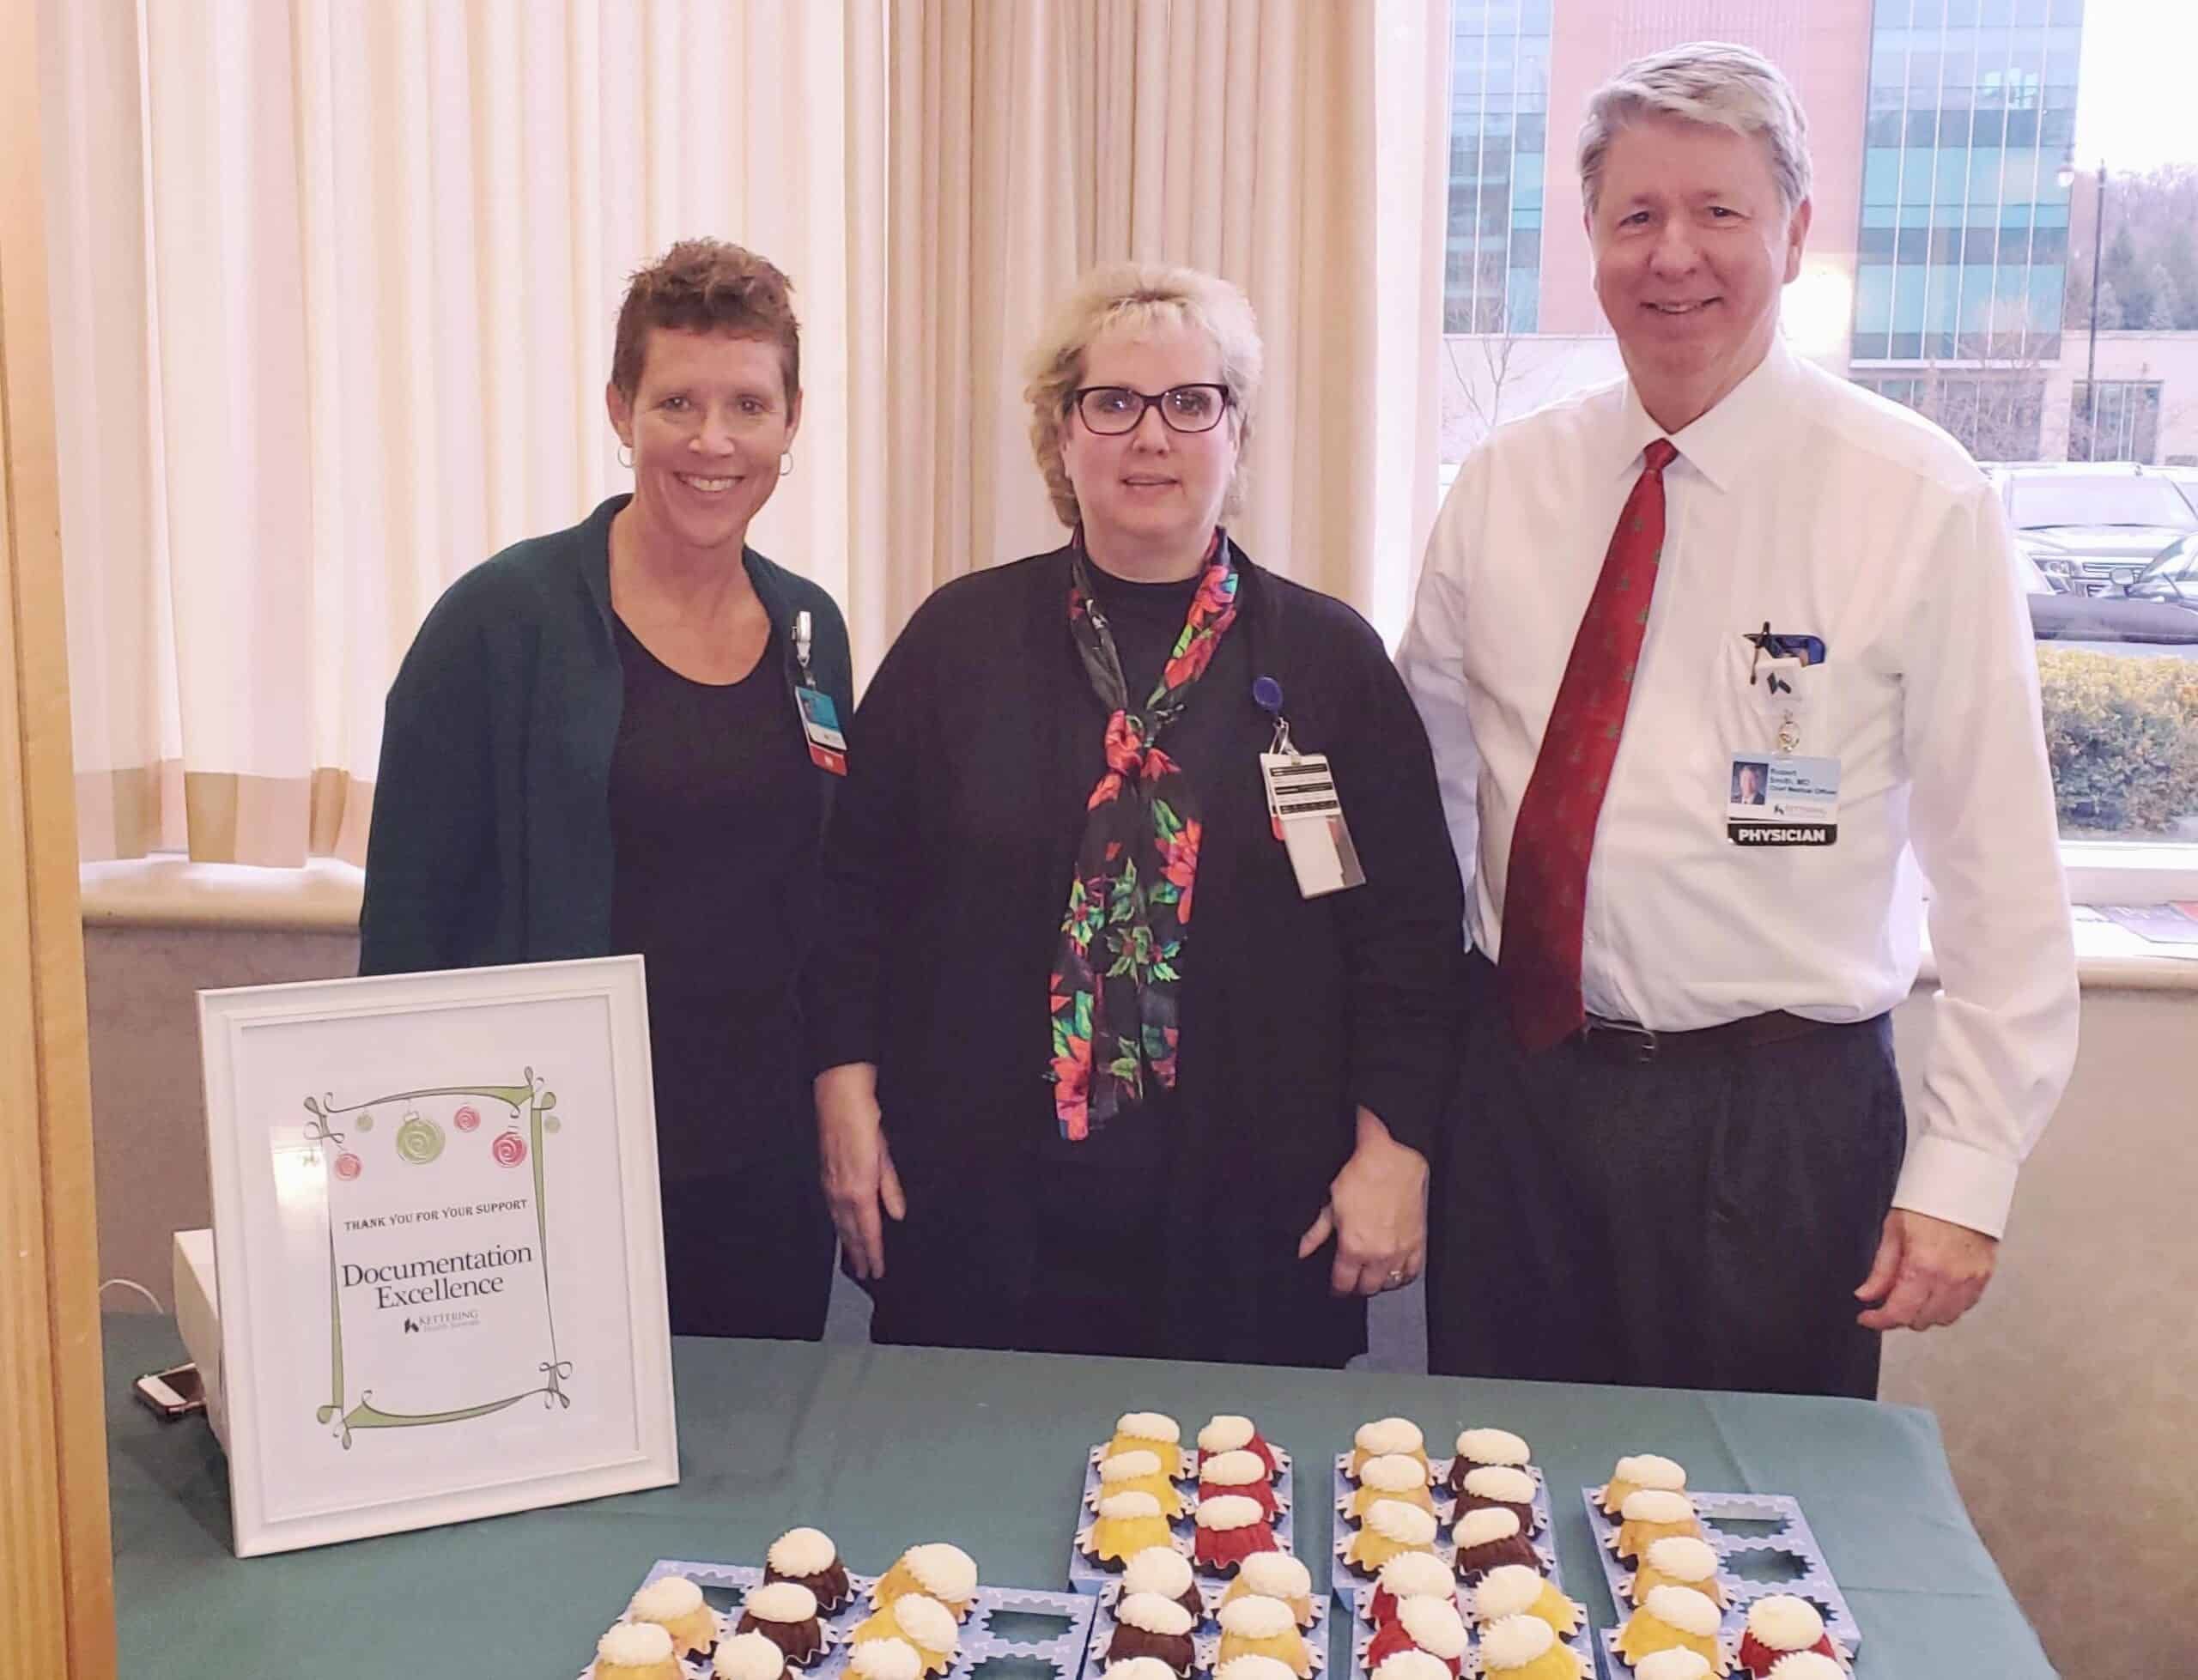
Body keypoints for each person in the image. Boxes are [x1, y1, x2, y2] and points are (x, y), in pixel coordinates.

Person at [1398, 43, 2078, 1398]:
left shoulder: (1917, 499)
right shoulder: (1504, 484)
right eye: (1636, 215)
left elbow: (1999, 874)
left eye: (1720, 212)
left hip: (1775, 1125)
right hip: (1522, 1096)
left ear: (1797, 231)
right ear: (1589, 236)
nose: (1675, 256)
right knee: (1489, 1513)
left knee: (1743, 1550)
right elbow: (1427, 783)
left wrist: (1965, 1171)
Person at [805, 264, 1465, 1366]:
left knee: (1233, 1530)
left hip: (1249, 1217)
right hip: (979, 1207)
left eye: (1189, 402)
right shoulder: (955, 642)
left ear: (1236, 434)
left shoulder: (1328, 661)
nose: (1149, 436)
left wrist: (1393, 1149)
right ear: (1060, 438)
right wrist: (842, 1099)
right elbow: (853, 898)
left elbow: (1404, 936)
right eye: (1111, 403)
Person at [360, 240, 851, 1341]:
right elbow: (407, 923)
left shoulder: (813, 630)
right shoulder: (500, 620)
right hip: (544, 1170)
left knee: (757, 1485)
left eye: (747, 404)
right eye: (677, 401)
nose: (712, 440)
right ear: (620, 410)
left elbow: (825, 902)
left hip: (761, 1177)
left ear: (792, 420)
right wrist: (414, 1175)